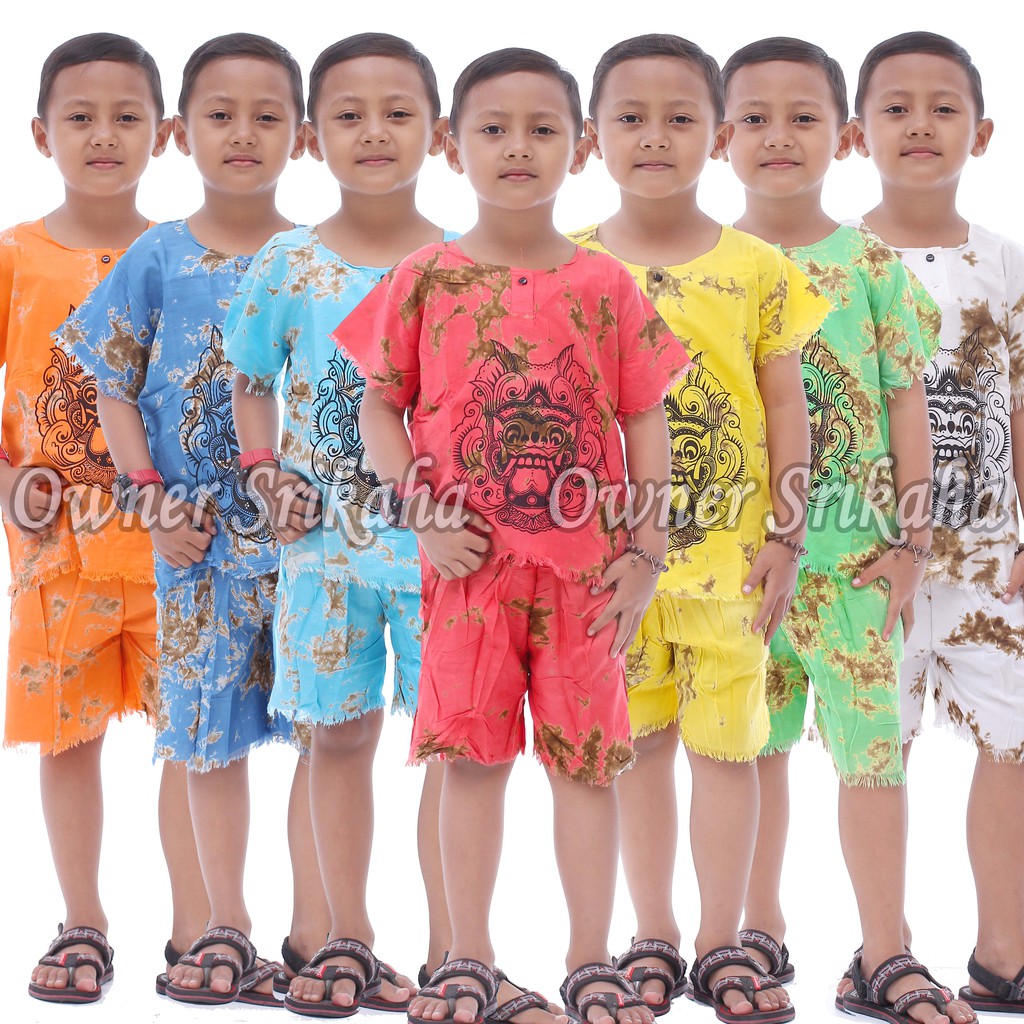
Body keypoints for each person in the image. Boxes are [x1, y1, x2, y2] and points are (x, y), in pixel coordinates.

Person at [334, 46, 689, 1024]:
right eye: (493, 130)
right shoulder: (423, 277)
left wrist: (646, 553)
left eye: (541, 130)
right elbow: (378, 407)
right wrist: (419, 508)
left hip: (588, 578)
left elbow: (645, 418)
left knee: (587, 768)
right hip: (467, 575)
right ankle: (467, 959)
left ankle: (589, 958)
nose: (518, 148)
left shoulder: (607, 284)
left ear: (580, 148)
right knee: (470, 763)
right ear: (454, 148)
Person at [57, 32, 329, 1007]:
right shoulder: (158, 256)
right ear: (183, 132)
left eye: (267, 116)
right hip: (196, 545)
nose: (243, 133)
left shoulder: (320, 259)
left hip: (312, 549)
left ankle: (321, 935)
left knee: (325, 739)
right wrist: (148, 496)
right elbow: (114, 384)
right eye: (220, 114)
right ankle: (221, 930)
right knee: (205, 738)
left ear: (302, 135)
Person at [571, 33, 828, 1024]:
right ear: (593, 135)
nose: (654, 136)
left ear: (716, 135)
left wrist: (788, 535)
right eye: (630, 118)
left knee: (728, 752)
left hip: (731, 564)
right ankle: (653, 935)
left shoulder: (759, 269)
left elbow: (785, 402)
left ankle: (723, 943)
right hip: (610, 569)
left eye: (679, 118)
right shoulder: (571, 264)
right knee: (637, 748)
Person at [721, 36, 979, 1024]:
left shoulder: (868, 267)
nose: (779, 136)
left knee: (872, 756)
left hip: (855, 560)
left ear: (844, 135)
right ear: (721, 135)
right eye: (755, 117)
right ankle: (751, 931)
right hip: (737, 564)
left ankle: (886, 951)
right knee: (746, 752)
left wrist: (912, 544)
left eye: (804, 117)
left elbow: (908, 401)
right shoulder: (708, 264)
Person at [224, 32, 455, 1019]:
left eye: (398, 112)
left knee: (456, 752)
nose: (374, 132)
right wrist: (263, 472)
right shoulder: (290, 263)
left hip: (444, 552)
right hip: (321, 554)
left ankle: (455, 952)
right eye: (350, 116)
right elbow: (249, 379)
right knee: (337, 740)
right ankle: (338, 938)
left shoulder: (463, 263)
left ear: (438, 132)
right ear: (315, 138)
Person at [0, 32, 209, 1005]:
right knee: (66, 739)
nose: (103, 135)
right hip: (60, 554)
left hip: (181, 549)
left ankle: (200, 926)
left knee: (195, 739)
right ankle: (80, 920)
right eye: (80, 117)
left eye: (127, 117)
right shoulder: (14, 257)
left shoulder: (188, 255)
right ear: (42, 134)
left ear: (162, 134)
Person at [850, 29, 1024, 1020]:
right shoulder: (832, 262)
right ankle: (883, 949)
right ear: (855, 132)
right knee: (875, 749)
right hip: (867, 561)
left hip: (986, 562)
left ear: (980, 132)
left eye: (943, 107)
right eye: (896, 107)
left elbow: (1019, 399)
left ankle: (1003, 951)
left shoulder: (1003, 264)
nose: (919, 124)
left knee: (1013, 740)